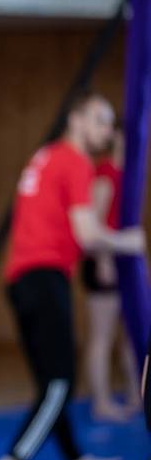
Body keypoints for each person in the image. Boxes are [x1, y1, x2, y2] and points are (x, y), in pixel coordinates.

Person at [0, 91, 146, 460]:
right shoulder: (75, 162)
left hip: (25, 277)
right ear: (76, 118)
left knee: (51, 380)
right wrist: (129, 242)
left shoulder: (48, 156)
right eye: (100, 120)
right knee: (59, 381)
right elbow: (88, 233)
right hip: (43, 276)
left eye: (110, 124)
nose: (106, 131)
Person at [81, 128, 142, 422]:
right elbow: (95, 222)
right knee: (102, 335)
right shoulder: (106, 173)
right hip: (104, 262)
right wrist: (104, 261)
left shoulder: (128, 176)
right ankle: (102, 401)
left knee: (131, 335)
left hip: (124, 261)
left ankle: (135, 395)